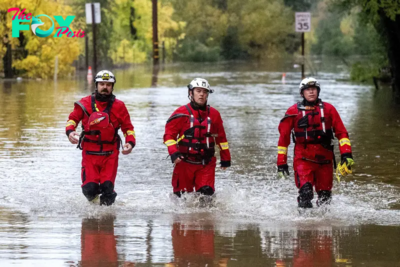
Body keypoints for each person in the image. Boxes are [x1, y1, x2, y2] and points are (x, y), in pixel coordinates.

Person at [277, 77, 354, 208]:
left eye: (314, 89)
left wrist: (346, 154)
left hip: (325, 160)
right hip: (303, 159)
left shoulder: (329, 110)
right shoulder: (293, 112)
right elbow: (283, 139)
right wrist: (281, 163)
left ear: (318, 91)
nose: (311, 92)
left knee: (325, 197)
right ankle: (303, 225)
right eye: (308, 90)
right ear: (302, 93)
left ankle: (323, 225)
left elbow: (342, 133)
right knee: (305, 193)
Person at [66, 70, 136, 206]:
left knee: (108, 191)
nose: (105, 87)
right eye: (102, 84)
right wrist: (70, 132)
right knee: (89, 189)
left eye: (108, 84)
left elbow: (128, 128)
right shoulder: (84, 103)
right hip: (90, 152)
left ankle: (107, 221)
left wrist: (130, 143)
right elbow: (72, 120)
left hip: (110, 154)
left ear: (112, 86)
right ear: (96, 85)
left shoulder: (119, 106)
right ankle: (93, 214)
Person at [163, 78, 231, 202]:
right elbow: (169, 136)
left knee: (206, 198)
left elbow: (221, 138)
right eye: (198, 91)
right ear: (191, 93)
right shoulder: (181, 113)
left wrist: (225, 157)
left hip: (206, 163)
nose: (201, 94)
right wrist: (173, 153)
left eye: (205, 92)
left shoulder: (214, 114)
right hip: (184, 163)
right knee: (181, 199)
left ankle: (205, 221)